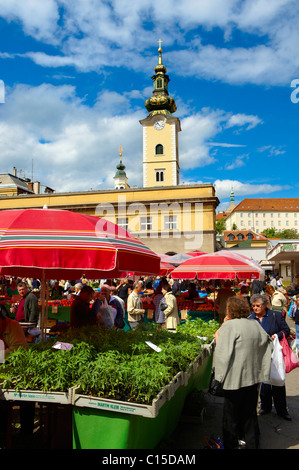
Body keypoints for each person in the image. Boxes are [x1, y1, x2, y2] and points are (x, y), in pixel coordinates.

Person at [214, 296, 273, 449]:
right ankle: (253, 444)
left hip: (234, 378)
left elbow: (223, 353)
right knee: (249, 414)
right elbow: (268, 344)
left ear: (230, 310)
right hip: (253, 377)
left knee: (230, 416)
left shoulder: (230, 326)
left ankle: (231, 445)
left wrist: (218, 376)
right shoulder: (254, 324)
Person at [249, 293, 291, 420]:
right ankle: (265, 406)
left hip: (275, 353)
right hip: (259, 354)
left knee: (278, 380)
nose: (255, 308)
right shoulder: (250, 319)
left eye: (258, 306)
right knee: (264, 381)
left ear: (264, 305)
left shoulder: (275, 315)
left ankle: (281, 410)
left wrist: (277, 335)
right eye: (253, 306)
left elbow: (286, 330)